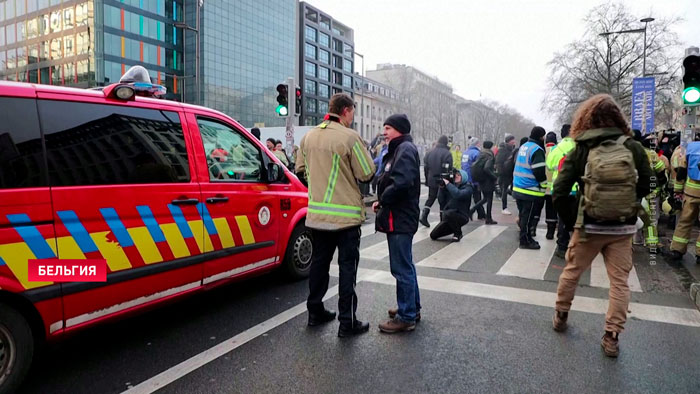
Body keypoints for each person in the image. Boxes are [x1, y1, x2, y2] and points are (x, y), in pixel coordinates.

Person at [551, 94, 652, 358]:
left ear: (587, 118)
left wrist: (575, 218)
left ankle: (561, 316)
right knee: (620, 283)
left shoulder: (581, 147)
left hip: (589, 227)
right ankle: (612, 336)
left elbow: (559, 190)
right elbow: (646, 184)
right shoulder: (633, 147)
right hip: (622, 229)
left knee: (572, 272)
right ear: (618, 118)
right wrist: (629, 207)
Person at [295, 93, 376, 338]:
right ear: (346, 110)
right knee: (347, 269)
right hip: (346, 219)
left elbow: (300, 171)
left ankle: (315, 312)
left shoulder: (308, 137)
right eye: (352, 112)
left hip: (318, 217)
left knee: (319, 265)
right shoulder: (350, 138)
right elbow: (367, 174)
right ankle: (347, 322)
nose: (352, 117)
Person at [373, 114, 422, 334]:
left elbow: (401, 183)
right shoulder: (400, 149)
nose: (384, 132)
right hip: (399, 215)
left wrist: (383, 199)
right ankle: (412, 308)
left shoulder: (404, 150)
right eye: (384, 128)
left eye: (389, 128)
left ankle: (406, 316)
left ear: (400, 130)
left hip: (399, 217)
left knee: (401, 268)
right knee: (406, 266)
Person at [668, 131, 700, 264]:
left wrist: (677, 192)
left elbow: (680, 173)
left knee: (684, 221)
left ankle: (677, 250)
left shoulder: (690, 148)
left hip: (690, 193)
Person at [513, 127, 548, 249]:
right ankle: (525, 240)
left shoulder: (524, 146)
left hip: (518, 187)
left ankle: (525, 238)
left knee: (523, 216)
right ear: (540, 137)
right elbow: (539, 170)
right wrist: (544, 184)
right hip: (530, 189)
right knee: (528, 218)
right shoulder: (537, 150)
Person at [546, 124, 577, 258]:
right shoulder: (578, 147)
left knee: (562, 218)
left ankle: (561, 245)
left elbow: (550, 165)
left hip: (558, 189)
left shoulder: (555, 148)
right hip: (574, 189)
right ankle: (571, 245)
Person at [430, 169, 472, 241]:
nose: (456, 176)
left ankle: (458, 234)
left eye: (459, 175)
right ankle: (454, 228)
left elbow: (458, 194)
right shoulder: (452, 186)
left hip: (461, 216)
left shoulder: (468, 188)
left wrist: (448, 184)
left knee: (449, 213)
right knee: (433, 235)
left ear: (464, 177)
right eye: (456, 175)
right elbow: (441, 200)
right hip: (449, 218)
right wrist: (442, 187)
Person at [421, 135, 453, 227]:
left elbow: (426, 167)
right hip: (442, 179)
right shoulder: (447, 153)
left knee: (431, 198)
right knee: (442, 201)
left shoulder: (430, 152)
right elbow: (448, 168)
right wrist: (449, 180)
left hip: (431, 178)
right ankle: (442, 221)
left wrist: (427, 179)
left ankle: (424, 215)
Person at [469, 140, 498, 224]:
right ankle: (488, 218)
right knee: (489, 199)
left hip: (480, 179)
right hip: (487, 179)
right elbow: (487, 168)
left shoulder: (481, 153)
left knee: (485, 198)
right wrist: (494, 176)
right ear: (490, 147)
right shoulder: (490, 155)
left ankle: (472, 210)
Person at [462, 137, 485, 220]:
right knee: (477, 197)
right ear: (477, 144)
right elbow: (478, 167)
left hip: (465, 177)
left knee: (467, 198)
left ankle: (465, 213)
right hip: (474, 179)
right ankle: (480, 214)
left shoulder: (465, 152)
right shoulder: (477, 153)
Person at [495, 134, 516, 215]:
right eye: (512, 140)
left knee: (508, 189)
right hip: (504, 173)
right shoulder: (503, 150)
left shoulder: (511, 149)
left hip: (510, 172)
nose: (514, 142)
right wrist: (500, 173)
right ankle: (504, 207)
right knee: (504, 189)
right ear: (508, 141)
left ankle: (514, 196)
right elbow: (498, 162)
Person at [544, 132, 559, 240]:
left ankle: (532, 229)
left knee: (536, 208)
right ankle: (550, 232)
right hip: (554, 187)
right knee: (552, 210)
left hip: (540, 186)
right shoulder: (558, 151)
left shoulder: (540, 149)